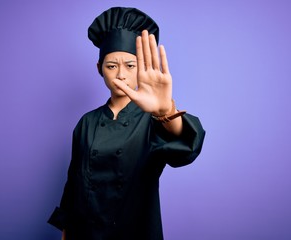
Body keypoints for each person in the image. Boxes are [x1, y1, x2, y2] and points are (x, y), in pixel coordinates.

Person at [48, 6, 205, 240]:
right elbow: (73, 183)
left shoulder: (154, 119)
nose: (121, 74)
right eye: (111, 65)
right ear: (99, 68)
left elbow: (186, 148)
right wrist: (65, 231)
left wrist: (166, 111)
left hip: (134, 231)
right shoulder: (86, 123)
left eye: (130, 66)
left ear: (141, 69)